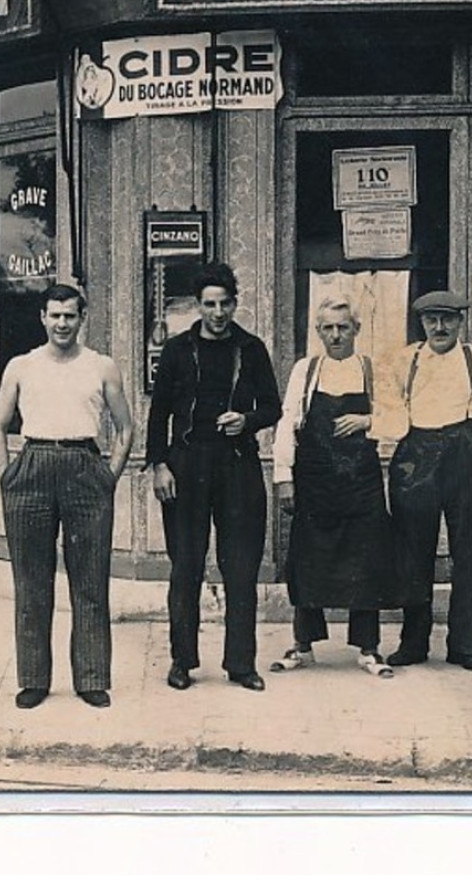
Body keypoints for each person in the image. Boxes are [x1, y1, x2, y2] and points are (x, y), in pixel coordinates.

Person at [0, 284, 134, 710]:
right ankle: (33, 679)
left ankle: (91, 678)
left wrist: (109, 477)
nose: (62, 324)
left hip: (84, 465)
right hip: (31, 467)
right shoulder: (21, 366)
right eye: (55, 315)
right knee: (31, 581)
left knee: (89, 580)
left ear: (82, 318)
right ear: (43, 317)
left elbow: (126, 428)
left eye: (70, 316)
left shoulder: (101, 366)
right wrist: (7, 476)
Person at [147, 262, 283, 692]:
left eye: (225, 303)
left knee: (240, 567)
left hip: (238, 464)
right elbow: (159, 413)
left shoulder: (252, 348)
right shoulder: (177, 350)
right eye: (210, 304)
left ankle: (241, 664)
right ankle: (182, 662)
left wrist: (246, 420)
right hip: (186, 465)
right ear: (198, 306)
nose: (218, 312)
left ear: (235, 302)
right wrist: (159, 465)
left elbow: (273, 407)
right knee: (186, 565)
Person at [269, 297, 396, 678]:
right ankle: (303, 645)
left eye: (343, 327)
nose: (336, 335)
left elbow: (398, 419)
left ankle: (369, 649)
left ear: (357, 330)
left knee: (366, 561)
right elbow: (288, 421)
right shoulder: (306, 371)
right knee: (308, 560)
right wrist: (283, 477)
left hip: (361, 484)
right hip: (316, 481)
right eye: (328, 328)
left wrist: (368, 420)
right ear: (318, 332)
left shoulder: (373, 370)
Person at [381, 290, 472, 671]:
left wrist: (464, 436)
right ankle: (413, 643)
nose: (439, 327)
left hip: (464, 449)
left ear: (460, 322)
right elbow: (389, 404)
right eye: (431, 319)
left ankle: (466, 645)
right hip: (416, 449)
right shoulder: (406, 359)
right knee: (412, 550)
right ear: (421, 323)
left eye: (447, 319)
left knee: (468, 551)